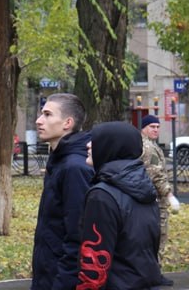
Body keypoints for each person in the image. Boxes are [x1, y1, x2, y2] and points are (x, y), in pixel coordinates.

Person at [77, 121, 161, 289]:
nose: (87, 145)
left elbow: (94, 264)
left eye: (95, 140)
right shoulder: (145, 188)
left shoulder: (101, 196)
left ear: (110, 147)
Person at [31, 93, 94, 290]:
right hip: (48, 272)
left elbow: (78, 236)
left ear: (67, 123)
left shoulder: (74, 168)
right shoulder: (60, 161)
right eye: (42, 114)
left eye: (48, 115)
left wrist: (62, 283)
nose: (39, 120)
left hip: (61, 279)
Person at [140, 114, 180, 286]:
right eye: (151, 127)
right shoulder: (148, 147)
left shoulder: (149, 145)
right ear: (143, 128)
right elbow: (157, 176)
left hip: (149, 200)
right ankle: (154, 276)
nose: (155, 130)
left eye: (157, 127)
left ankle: (152, 274)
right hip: (155, 201)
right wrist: (170, 195)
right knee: (158, 238)